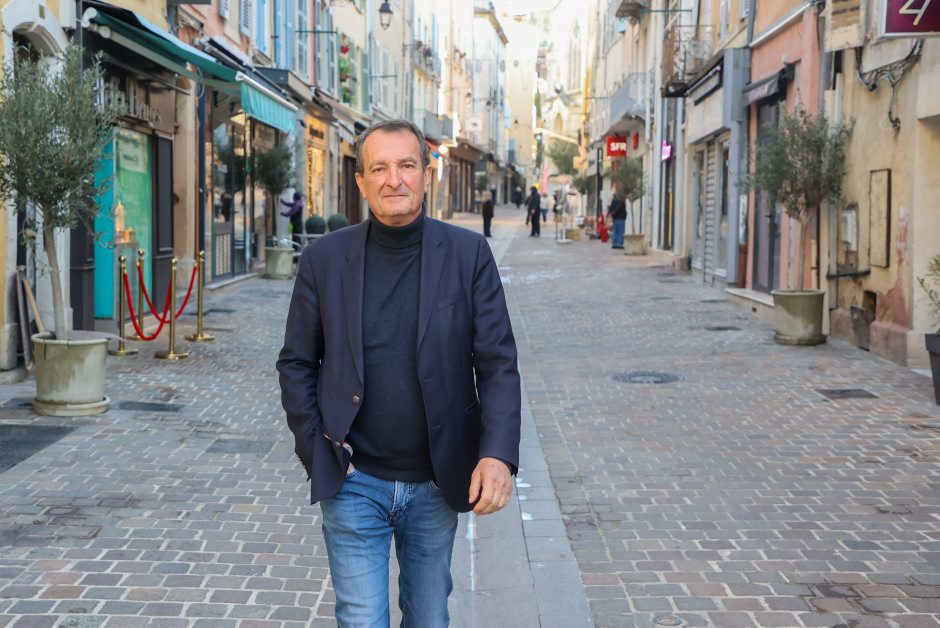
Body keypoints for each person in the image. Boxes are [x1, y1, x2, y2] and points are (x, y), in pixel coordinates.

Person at [276, 119, 521, 627]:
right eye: (379, 169)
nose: (394, 180)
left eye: (407, 165)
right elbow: (297, 363)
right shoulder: (324, 259)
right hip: (353, 480)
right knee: (362, 618)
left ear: (426, 175)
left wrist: (497, 455)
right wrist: (317, 449)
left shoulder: (468, 254)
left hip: (436, 481)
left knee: (429, 618)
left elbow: (497, 362)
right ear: (361, 182)